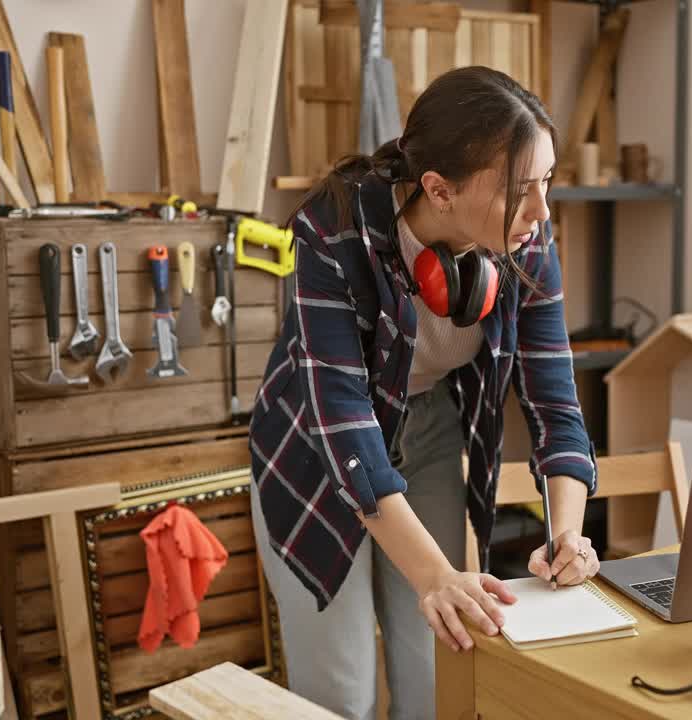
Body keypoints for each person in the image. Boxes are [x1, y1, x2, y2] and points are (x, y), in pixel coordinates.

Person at [247, 66, 600, 720]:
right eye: (523, 190)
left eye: (548, 183)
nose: (542, 212)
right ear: (438, 189)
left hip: (428, 435)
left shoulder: (527, 239)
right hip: (313, 454)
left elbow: (557, 405)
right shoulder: (333, 230)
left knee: (438, 672)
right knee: (340, 693)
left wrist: (567, 534)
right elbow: (347, 434)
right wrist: (435, 576)